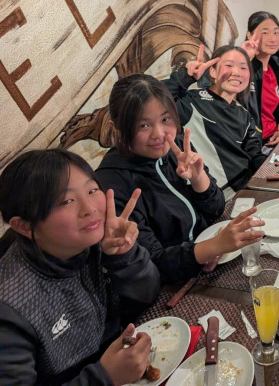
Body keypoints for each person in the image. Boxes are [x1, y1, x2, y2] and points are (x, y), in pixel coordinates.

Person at [0, 149, 161, 385]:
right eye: (66, 201)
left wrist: (123, 256)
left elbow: (148, 296)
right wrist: (104, 377)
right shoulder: (10, 305)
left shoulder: (95, 241)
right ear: (24, 226)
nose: (89, 208)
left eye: (92, 190)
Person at [97, 74, 265, 283]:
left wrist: (199, 180)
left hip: (209, 260)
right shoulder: (111, 185)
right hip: (172, 285)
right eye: (143, 125)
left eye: (165, 119)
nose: (159, 134)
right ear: (117, 128)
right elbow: (153, 263)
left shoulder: (175, 147)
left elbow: (215, 210)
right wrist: (213, 246)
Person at [163, 45, 266, 199]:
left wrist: (271, 166)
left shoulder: (243, 113)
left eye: (243, 68)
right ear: (212, 71)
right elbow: (155, 100)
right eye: (229, 65)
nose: (236, 72)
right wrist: (186, 77)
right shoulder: (191, 101)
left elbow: (253, 154)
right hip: (219, 194)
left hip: (248, 186)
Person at [241, 11, 279, 147]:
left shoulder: (276, 66)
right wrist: (243, 60)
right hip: (253, 145)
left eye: (276, 32)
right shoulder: (243, 70)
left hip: (275, 138)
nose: (273, 39)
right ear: (249, 35)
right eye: (265, 33)